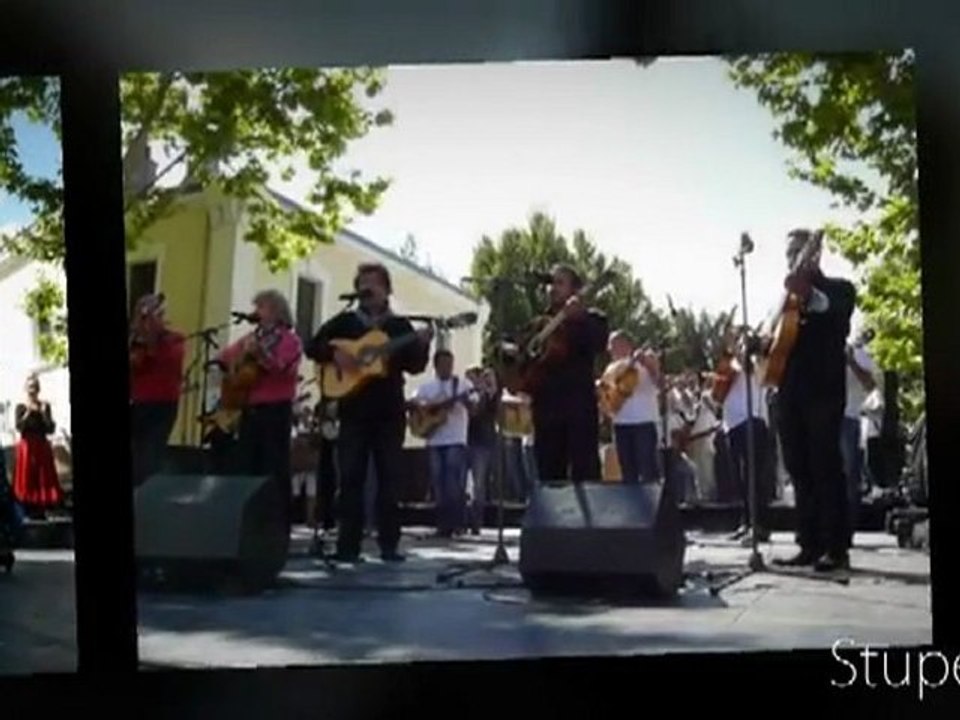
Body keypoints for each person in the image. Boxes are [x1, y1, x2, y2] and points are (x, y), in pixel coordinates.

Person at [305, 262, 432, 563]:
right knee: (350, 478)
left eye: (373, 282)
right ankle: (348, 546)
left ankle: (389, 545)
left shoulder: (399, 327)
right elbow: (311, 345)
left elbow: (415, 366)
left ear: (386, 289)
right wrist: (334, 353)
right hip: (353, 411)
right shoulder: (345, 322)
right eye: (362, 282)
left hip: (389, 411)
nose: (366, 287)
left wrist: (423, 345)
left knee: (390, 478)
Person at [769, 229, 856, 571]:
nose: (791, 257)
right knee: (799, 469)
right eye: (788, 252)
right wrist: (758, 344)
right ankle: (808, 543)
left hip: (822, 392)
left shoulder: (840, 289)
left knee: (825, 467)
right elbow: (778, 342)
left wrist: (809, 292)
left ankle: (835, 548)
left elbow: (832, 309)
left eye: (797, 251)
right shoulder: (783, 302)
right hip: (789, 393)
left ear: (813, 255)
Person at [217, 290, 303, 531]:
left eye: (261, 307)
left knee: (274, 467)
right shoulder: (251, 338)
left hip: (276, 409)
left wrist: (261, 354)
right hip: (250, 408)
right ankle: (249, 524)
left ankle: (277, 525)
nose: (256, 312)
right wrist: (229, 369)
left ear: (276, 311)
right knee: (248, 465)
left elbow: (284, 369)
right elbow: (225, 357)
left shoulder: (290, 340)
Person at [514, 265, 608, 483]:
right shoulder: (538, 324)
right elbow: (525, 360)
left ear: (574, 289)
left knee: (585, 473)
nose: (552, 288)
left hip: (578, 409)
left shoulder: (592, 318)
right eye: (550, 283)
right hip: (546, 410)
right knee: (549, 475)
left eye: (559, 283)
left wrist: (580, 318)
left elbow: (599, 343)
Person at [412, 350, 477, 538]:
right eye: (443, 364)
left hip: (456, 439)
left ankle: (457, 523)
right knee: (438, 484)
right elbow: (413, 403)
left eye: (449, 364)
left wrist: (465, 402)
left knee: (453, 483)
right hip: (434, 440)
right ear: (436, 366)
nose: (447, 368)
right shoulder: (427, 388)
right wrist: (427, 408)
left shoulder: (463, 385)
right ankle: (443, 525)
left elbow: (474, 409)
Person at [716, 347, 775, 544]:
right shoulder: (730, 366)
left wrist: (745, 355)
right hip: (732, 424)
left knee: (753, 477)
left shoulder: (757, 361)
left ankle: (759, 525)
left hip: (752, 420)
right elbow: (719, 392)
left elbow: (760, 375)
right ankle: (746, 522)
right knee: (739, 477)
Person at [129, 293, 186, 487]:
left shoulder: (175, 339)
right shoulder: (135, 340)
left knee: (152, 452)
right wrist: (140, 334)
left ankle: (147, 493)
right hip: (138, 402)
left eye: (159, 314)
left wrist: (151, 337)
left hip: (163, 403)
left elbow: (169, 361)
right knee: (136, 452)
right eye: (152, 315)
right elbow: (136, 364)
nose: (158, 318)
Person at [603, 330, 661, 484]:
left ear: (626, 344)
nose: (610, 349)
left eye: (614, 344)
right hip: (621, 424)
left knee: (648, 470)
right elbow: (608, 395)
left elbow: (659, 383)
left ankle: (654, 505)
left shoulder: (647, 358)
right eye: (610, 345)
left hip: (643, 422)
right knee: (628, 472)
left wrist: (648, 364)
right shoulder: (610, 368)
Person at [842, 331, 881, 544]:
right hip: (824, 419)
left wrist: (851, 362)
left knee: (849, 477)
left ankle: (846, 532)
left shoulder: (859, 353)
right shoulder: (823, 350)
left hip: (848, 418)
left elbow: (871, 386)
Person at [13, 374, 63, 518]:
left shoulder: (45, 406)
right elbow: (19, 427)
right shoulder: (20, 407)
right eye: (30, 388)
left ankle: (43, 507)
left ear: (38, 389)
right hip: (27, 447)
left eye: (35, 387)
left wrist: (42, 412)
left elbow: (50, 428)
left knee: (43, 477)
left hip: (41, 445)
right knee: (27, 477)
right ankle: (27, 507)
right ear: (25, 389)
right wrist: (28, 412)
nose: (32, 391)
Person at [465, 366, 498, 535]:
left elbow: (493, 407)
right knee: (461, 485)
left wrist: (488, 389)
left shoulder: (488, 396)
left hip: (482, 443)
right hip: (463, 441)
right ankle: (461, 521)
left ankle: (476, 521)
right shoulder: (464, 395)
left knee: (479, 485)